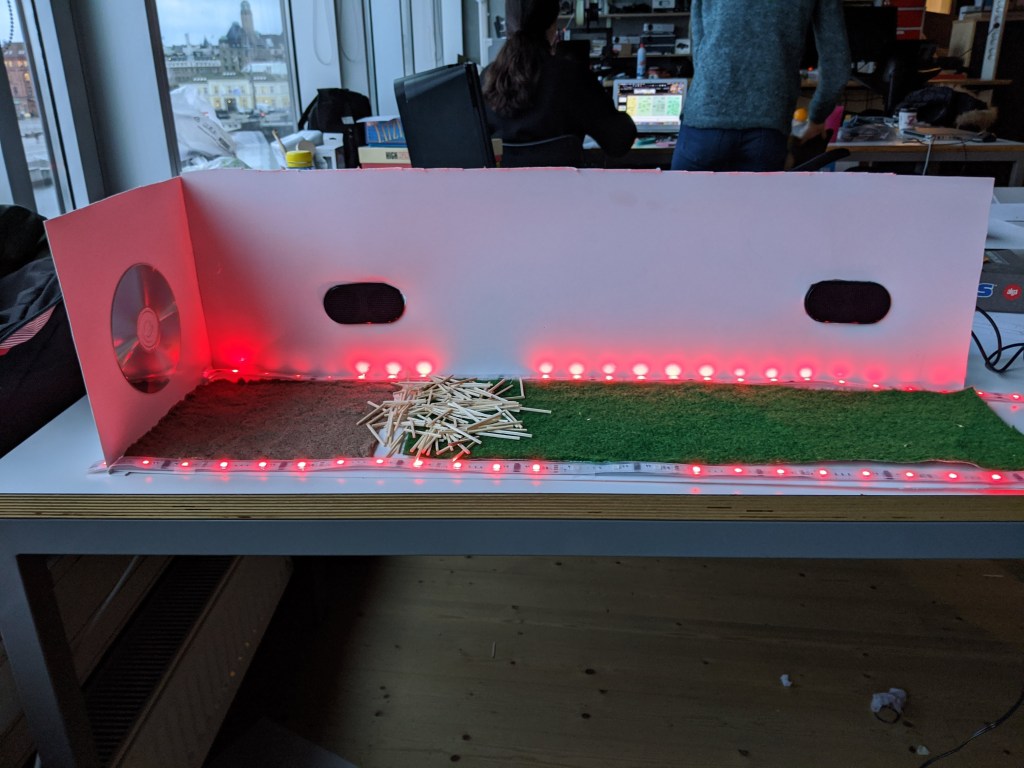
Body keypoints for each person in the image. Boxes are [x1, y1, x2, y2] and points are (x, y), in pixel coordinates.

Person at [671, 0, 850, 172]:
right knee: (762, 195)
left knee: (682, 194)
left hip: (704, 119)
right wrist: (817, 117)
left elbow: (698, 41)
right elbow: (837, 65)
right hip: (768, 128)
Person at [483, 0, 637, 162]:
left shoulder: (485, 79)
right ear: (552, 27)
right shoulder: (573, 76)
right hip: (563, 179)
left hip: (502, 179)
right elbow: (618, 143)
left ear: (507, 25)